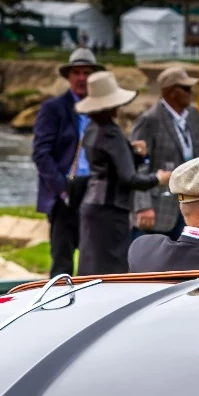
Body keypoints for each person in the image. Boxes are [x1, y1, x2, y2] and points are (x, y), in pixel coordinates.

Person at [77, 71, 168, 275]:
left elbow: (109, 165)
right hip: (110, 210)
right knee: (112, 271)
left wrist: (132, 153)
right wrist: (158, 178)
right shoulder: (111, 132)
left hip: (92, 206)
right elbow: (129, 178)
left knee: (90, 268)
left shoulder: (92, 128)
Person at [128, 65, 199, 240]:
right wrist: (143, 206)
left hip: (192, 207)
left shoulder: (193, 115)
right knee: (152, 265)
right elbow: (138, 166)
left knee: (186, 264)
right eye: (186, 88)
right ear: (171, 92)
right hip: (158, 209)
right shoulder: (150, 120)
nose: (191, 91)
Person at [32, 48, 103, 276]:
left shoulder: (101, 110)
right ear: (69, 76)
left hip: (94, 191)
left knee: (93, 260)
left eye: (86, 72)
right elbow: (41, 153)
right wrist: (62, 189)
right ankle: (59, 307)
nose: (82, 78)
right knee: (62, 262)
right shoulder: (53, 109)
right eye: (77, 72)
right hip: (64, 194)